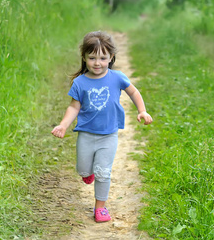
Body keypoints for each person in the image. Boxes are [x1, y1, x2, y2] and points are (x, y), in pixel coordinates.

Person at [51, 31, 153, 223]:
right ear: (84, 57)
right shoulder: (80, 83)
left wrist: (142, 110)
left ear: (111, 57)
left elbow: (133, 92)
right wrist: (63, 125)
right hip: (86, 135)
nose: (97, 63)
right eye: (92, 58)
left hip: (109, 135)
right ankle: (86, 174)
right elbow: (74, 106)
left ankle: (100, 207)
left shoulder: (117, 78)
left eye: (103, 58)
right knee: (83, 168)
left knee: (103, 172)